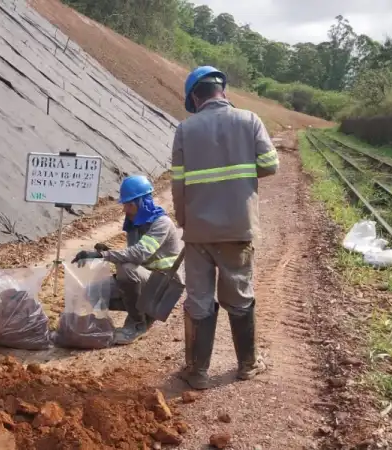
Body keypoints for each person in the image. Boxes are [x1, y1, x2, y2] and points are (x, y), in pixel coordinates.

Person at [172, 66, 279, 389]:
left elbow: (178, 184)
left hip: (199, 232)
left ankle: (198, 372)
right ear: (223, 90)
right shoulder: (249, 121)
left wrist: (184, 219)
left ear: (195, 96)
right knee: (240, 296)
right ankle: (247, 364)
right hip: (238, 228)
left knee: (199, 299)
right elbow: (271, 165)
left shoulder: (185, 130)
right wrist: (241, 178)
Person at [71, 175, 183, 344]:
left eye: (128, 204)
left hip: (163, 288)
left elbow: (138, 254)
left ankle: (137, 324)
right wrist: (107, 251)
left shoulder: (161, 224)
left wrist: (103, 256)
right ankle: (139, 315)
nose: (125, 209)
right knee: (90, 292)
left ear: (141, 203)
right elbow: (134, 255)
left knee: (126, 269)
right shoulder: (135, 225)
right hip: (146, 282)